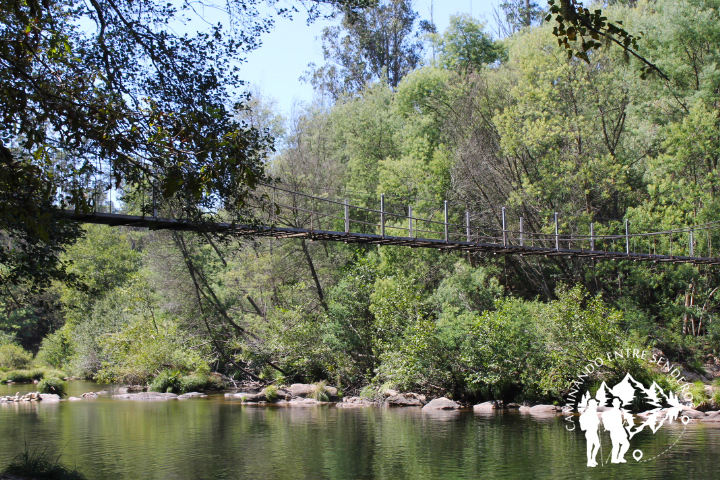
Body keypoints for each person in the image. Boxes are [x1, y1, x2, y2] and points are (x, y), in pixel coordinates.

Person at [602, 397, 632, 463]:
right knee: (617, 446)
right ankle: (616, 459)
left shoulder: (618, 412)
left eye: (618, 403)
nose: (617, 404)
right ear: (613, 404)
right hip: (615, 431)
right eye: (616, 403)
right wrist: (607, 427)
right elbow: (605, 418)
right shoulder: (611, 412)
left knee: (625, 444)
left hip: (620, 430)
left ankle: (619, 457)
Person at [579, 399, 601, 467]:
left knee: (597, 445)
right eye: (595, 404)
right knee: (590, 447)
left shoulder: (593, 411)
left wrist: (597, 422)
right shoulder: (589, 412)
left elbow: (596, 421)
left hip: (594, 432)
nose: (596, 405)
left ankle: (593, 459)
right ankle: (589, 462)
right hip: (590, 432)